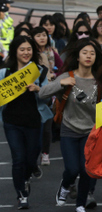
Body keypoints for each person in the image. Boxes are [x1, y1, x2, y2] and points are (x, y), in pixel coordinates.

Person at [39, 39, 102, 212]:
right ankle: (65, 185)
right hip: (69, 130)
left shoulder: (99, 81)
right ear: (77, 56)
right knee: (72, 169)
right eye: (85, 52)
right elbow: (42, 93)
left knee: (86, 170)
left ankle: (80, 206)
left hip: (90, 132)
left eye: (92, 53)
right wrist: (61, 83)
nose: (89, 56)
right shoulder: (67, 76)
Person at [0, 36, 51, 209]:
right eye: (22, 49)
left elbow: (48, 97)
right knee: (18, 159)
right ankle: (21, 194)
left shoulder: (40, 71)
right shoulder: (4, 73)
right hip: (11, 122)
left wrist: (38, 89)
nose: (26, 52)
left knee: (31, 158)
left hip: (34, 122)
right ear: (15, 51)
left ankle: (27, 176)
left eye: (29, 49)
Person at [31, 27, 60, 166]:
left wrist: (56, 81)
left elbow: (62, 67)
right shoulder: (30, 54)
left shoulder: (51, 52)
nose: (42, 37)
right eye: (38, 35)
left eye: (44, 35)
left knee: (47, 126)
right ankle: (33, 156)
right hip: (31, 93)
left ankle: (45, 153)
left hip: (49, 91)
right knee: (34, 127)